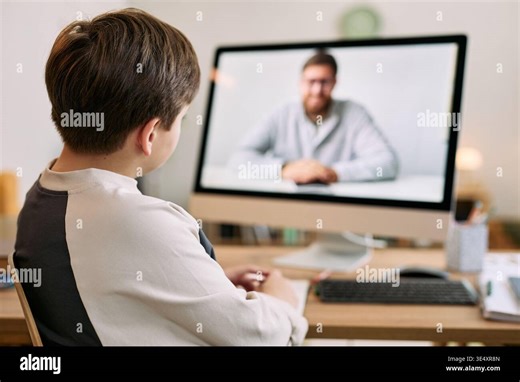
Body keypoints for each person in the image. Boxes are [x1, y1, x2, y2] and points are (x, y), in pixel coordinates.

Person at [13, 8, 307, 346]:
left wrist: (200, 283)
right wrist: (283, 301)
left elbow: (97, 281)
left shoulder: (40, 198)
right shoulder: (138, 220)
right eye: (181, 117)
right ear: (150, 134)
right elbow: (257, 337)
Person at [229, 52, 399, 184]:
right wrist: (282, 170)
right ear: (300, 82)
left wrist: (334, 172)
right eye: (311, 81)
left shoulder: (355, 114)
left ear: (334, 83)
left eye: (324, 82)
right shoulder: (281, 114)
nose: (317, 90)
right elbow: (239, 159)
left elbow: (388, 163)